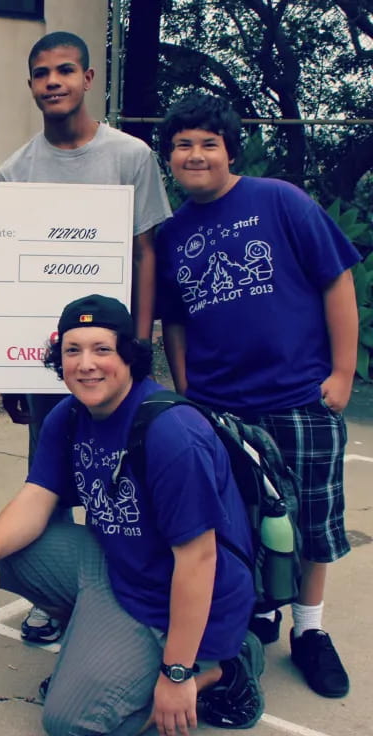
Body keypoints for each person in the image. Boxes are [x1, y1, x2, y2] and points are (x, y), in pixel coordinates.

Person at [0, 294, 264, 735]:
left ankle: (219, 668)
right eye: (72, 350)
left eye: (102, 349)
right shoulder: (69, 416)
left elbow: (198, 561)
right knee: (4, 554)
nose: (86, 364)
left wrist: (177, 675)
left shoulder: (172, 433)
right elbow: (37, 496)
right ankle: (101, 650)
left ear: (129, 355)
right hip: (121, 568)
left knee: (71, 723)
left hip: (181, 596)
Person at [155, 92, 359, 699]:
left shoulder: (280, 200)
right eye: (183, 145)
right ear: (169, 158)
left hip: (299, 396)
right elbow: (176, 322)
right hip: (219, 407)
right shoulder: (173, 233)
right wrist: (189, 391)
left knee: (311, 525)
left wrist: (343, 374)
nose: (196, 155)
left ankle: (311, 631)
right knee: (239, 525)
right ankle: (255, 612)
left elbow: (336, 280)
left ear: (229, 150)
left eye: (208, 144)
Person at [0, 30, 172, 645]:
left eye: (65, 70)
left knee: (121, 479)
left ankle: (122, 594)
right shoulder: (14, 170)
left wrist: (138, 342)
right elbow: (5, 266)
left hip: (114, 360)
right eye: (41, 73)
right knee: (50, 474)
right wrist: (8, 367)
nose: (53, 82)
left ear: (88, 79)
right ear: (31, 85)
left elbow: (147, 253)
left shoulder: (130, 157)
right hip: (47, 362)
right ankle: (58, 597)